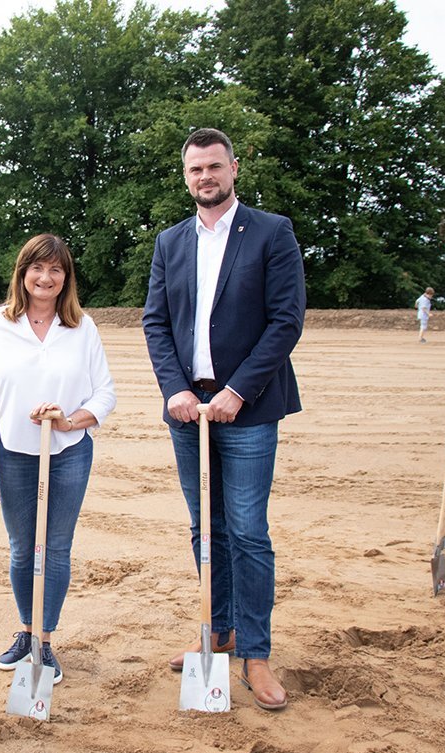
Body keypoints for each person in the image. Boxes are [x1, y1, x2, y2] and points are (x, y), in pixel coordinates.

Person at [142, 128, 305, 711]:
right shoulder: (170, 241)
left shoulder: (271, 232)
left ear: (234, 168)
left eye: (214, 166)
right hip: (189, 412)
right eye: (195, 170)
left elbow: (286, 321)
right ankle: (217, 631)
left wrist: (239, 389)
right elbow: (156, 323)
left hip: (250, 408)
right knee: (202, 527)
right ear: (185, 177)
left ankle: (255, 654)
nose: (205, 177)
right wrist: (175, 390)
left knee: (247, 531)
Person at [0, 233, 116, 685]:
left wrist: (70, 421)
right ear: (22, 273)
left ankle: (44, 642)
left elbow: (104, 392)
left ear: (65, 278)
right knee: (21, 549)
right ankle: (25, 631)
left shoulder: (81, 327)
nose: (45, 277)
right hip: (13, 453)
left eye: (55, 270)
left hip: (68, 453)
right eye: (37, 268)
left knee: (55, 549)